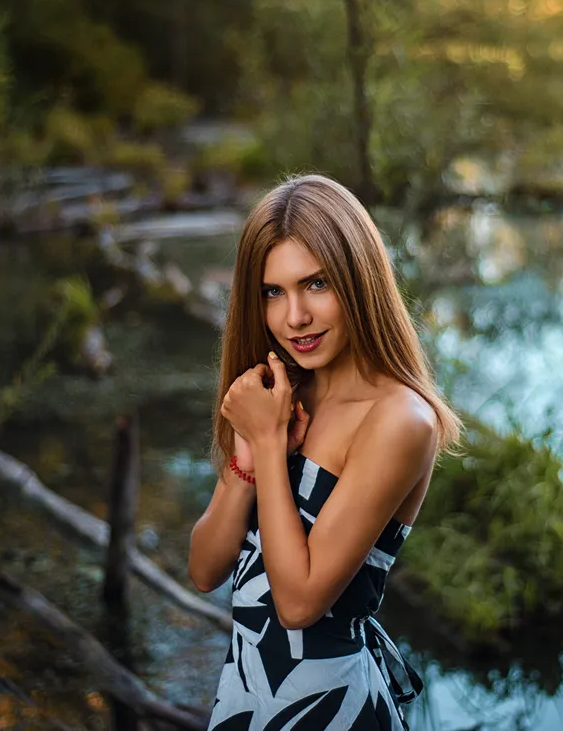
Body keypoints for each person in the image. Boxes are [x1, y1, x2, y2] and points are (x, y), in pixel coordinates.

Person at [188, 174, 460, 730]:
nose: (295, 317)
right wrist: (248, 457)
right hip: (246, 697)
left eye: (316, 284)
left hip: (329, 710)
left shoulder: (399, 419)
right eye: (274, 292)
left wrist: (267, 446)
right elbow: (204, 568)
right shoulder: (283, 393)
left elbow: (299, 605)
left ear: (358, 280)